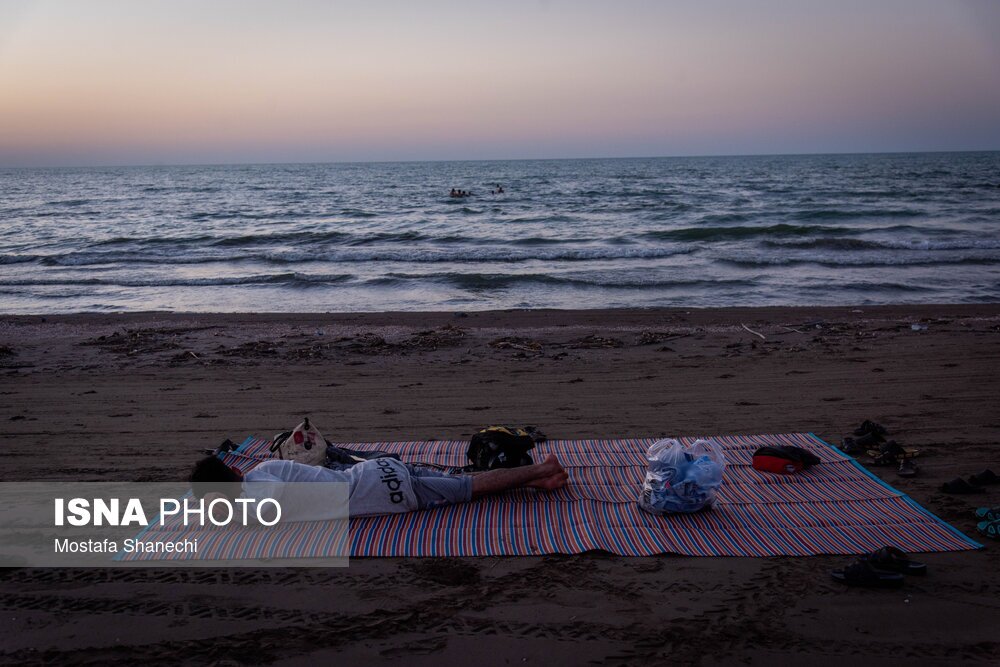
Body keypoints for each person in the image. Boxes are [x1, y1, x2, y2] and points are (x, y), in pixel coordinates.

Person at [189, 453, 568, 520]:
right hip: (377, 472)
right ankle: (539, 478)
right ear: (235, 471)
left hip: (385, 491)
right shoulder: (266, 469)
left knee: (467, 488)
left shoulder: (257, 499)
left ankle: (539, 473)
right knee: (464, 484)